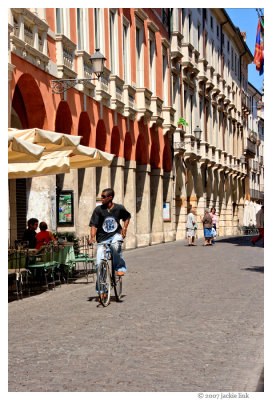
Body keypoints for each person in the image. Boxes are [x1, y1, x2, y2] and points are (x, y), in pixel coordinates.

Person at [89, 188, 131, 277]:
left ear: (110, 197)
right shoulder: (98, 210)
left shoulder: (119, 208)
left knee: (115, 245)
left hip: (116, 235)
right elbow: (94, 225)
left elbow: (127, 217)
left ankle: (120, 268)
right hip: (102, 239)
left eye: (103, 196)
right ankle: (101, 289)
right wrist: (92, 238)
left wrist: (125, 228)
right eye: (101, 196)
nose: (101, 198)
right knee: (99, 263)